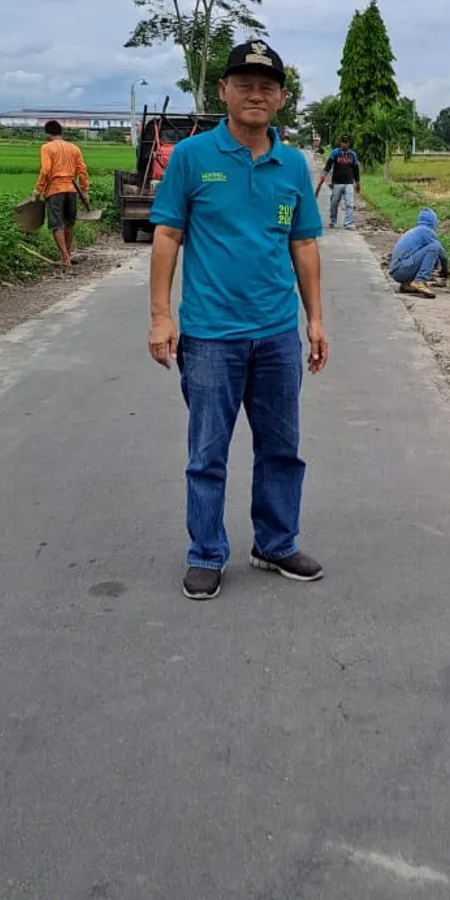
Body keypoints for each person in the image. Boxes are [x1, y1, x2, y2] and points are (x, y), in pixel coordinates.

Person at [147, 38, 328, 601]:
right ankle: (205, 552)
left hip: (276, 333)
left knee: (281, 447)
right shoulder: (192, 158)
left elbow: (303, 245)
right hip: (209, 336)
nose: (255, 94)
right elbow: (168, 236)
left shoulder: (293, 164)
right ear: (222, 90)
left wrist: (315, 319)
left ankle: (274, 543)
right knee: (208, 452)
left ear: (281, 99)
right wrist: (160, 316)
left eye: (266, 86)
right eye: (243, 84)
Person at [34, 120, 90, 267]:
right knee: (69, 223)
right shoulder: (74, 148)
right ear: (61, 132)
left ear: (47, 134)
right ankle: (68, 254)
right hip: (72, 189)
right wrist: (85, 191)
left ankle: (65, 257)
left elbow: (46, 170)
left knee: (56, 224)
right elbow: (82, 170)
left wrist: (38, 189)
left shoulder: (47, 148)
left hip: (55, 190)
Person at [389, 208, 449, 299]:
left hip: (397, 271)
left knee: (432, 255)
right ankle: (420, 280)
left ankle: (408, 285)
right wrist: (445, 271)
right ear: (433, 221)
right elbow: (442, 254)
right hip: (402, 269)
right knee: (434, 248)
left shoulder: (414, 231)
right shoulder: (427, 231)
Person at [315, 135, 362, 229]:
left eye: (346, 142)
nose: (344, 144)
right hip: (337, 182)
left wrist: (358, 182)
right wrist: (324, 174)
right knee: (334, 203)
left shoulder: (352, 154)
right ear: (340, 143)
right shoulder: (335, 153)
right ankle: (333, 220)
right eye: (343, 142)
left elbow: (356, 170)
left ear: (349, 143)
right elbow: (328, 165)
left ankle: (348, 223)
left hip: (349, 182)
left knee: (349, 203)